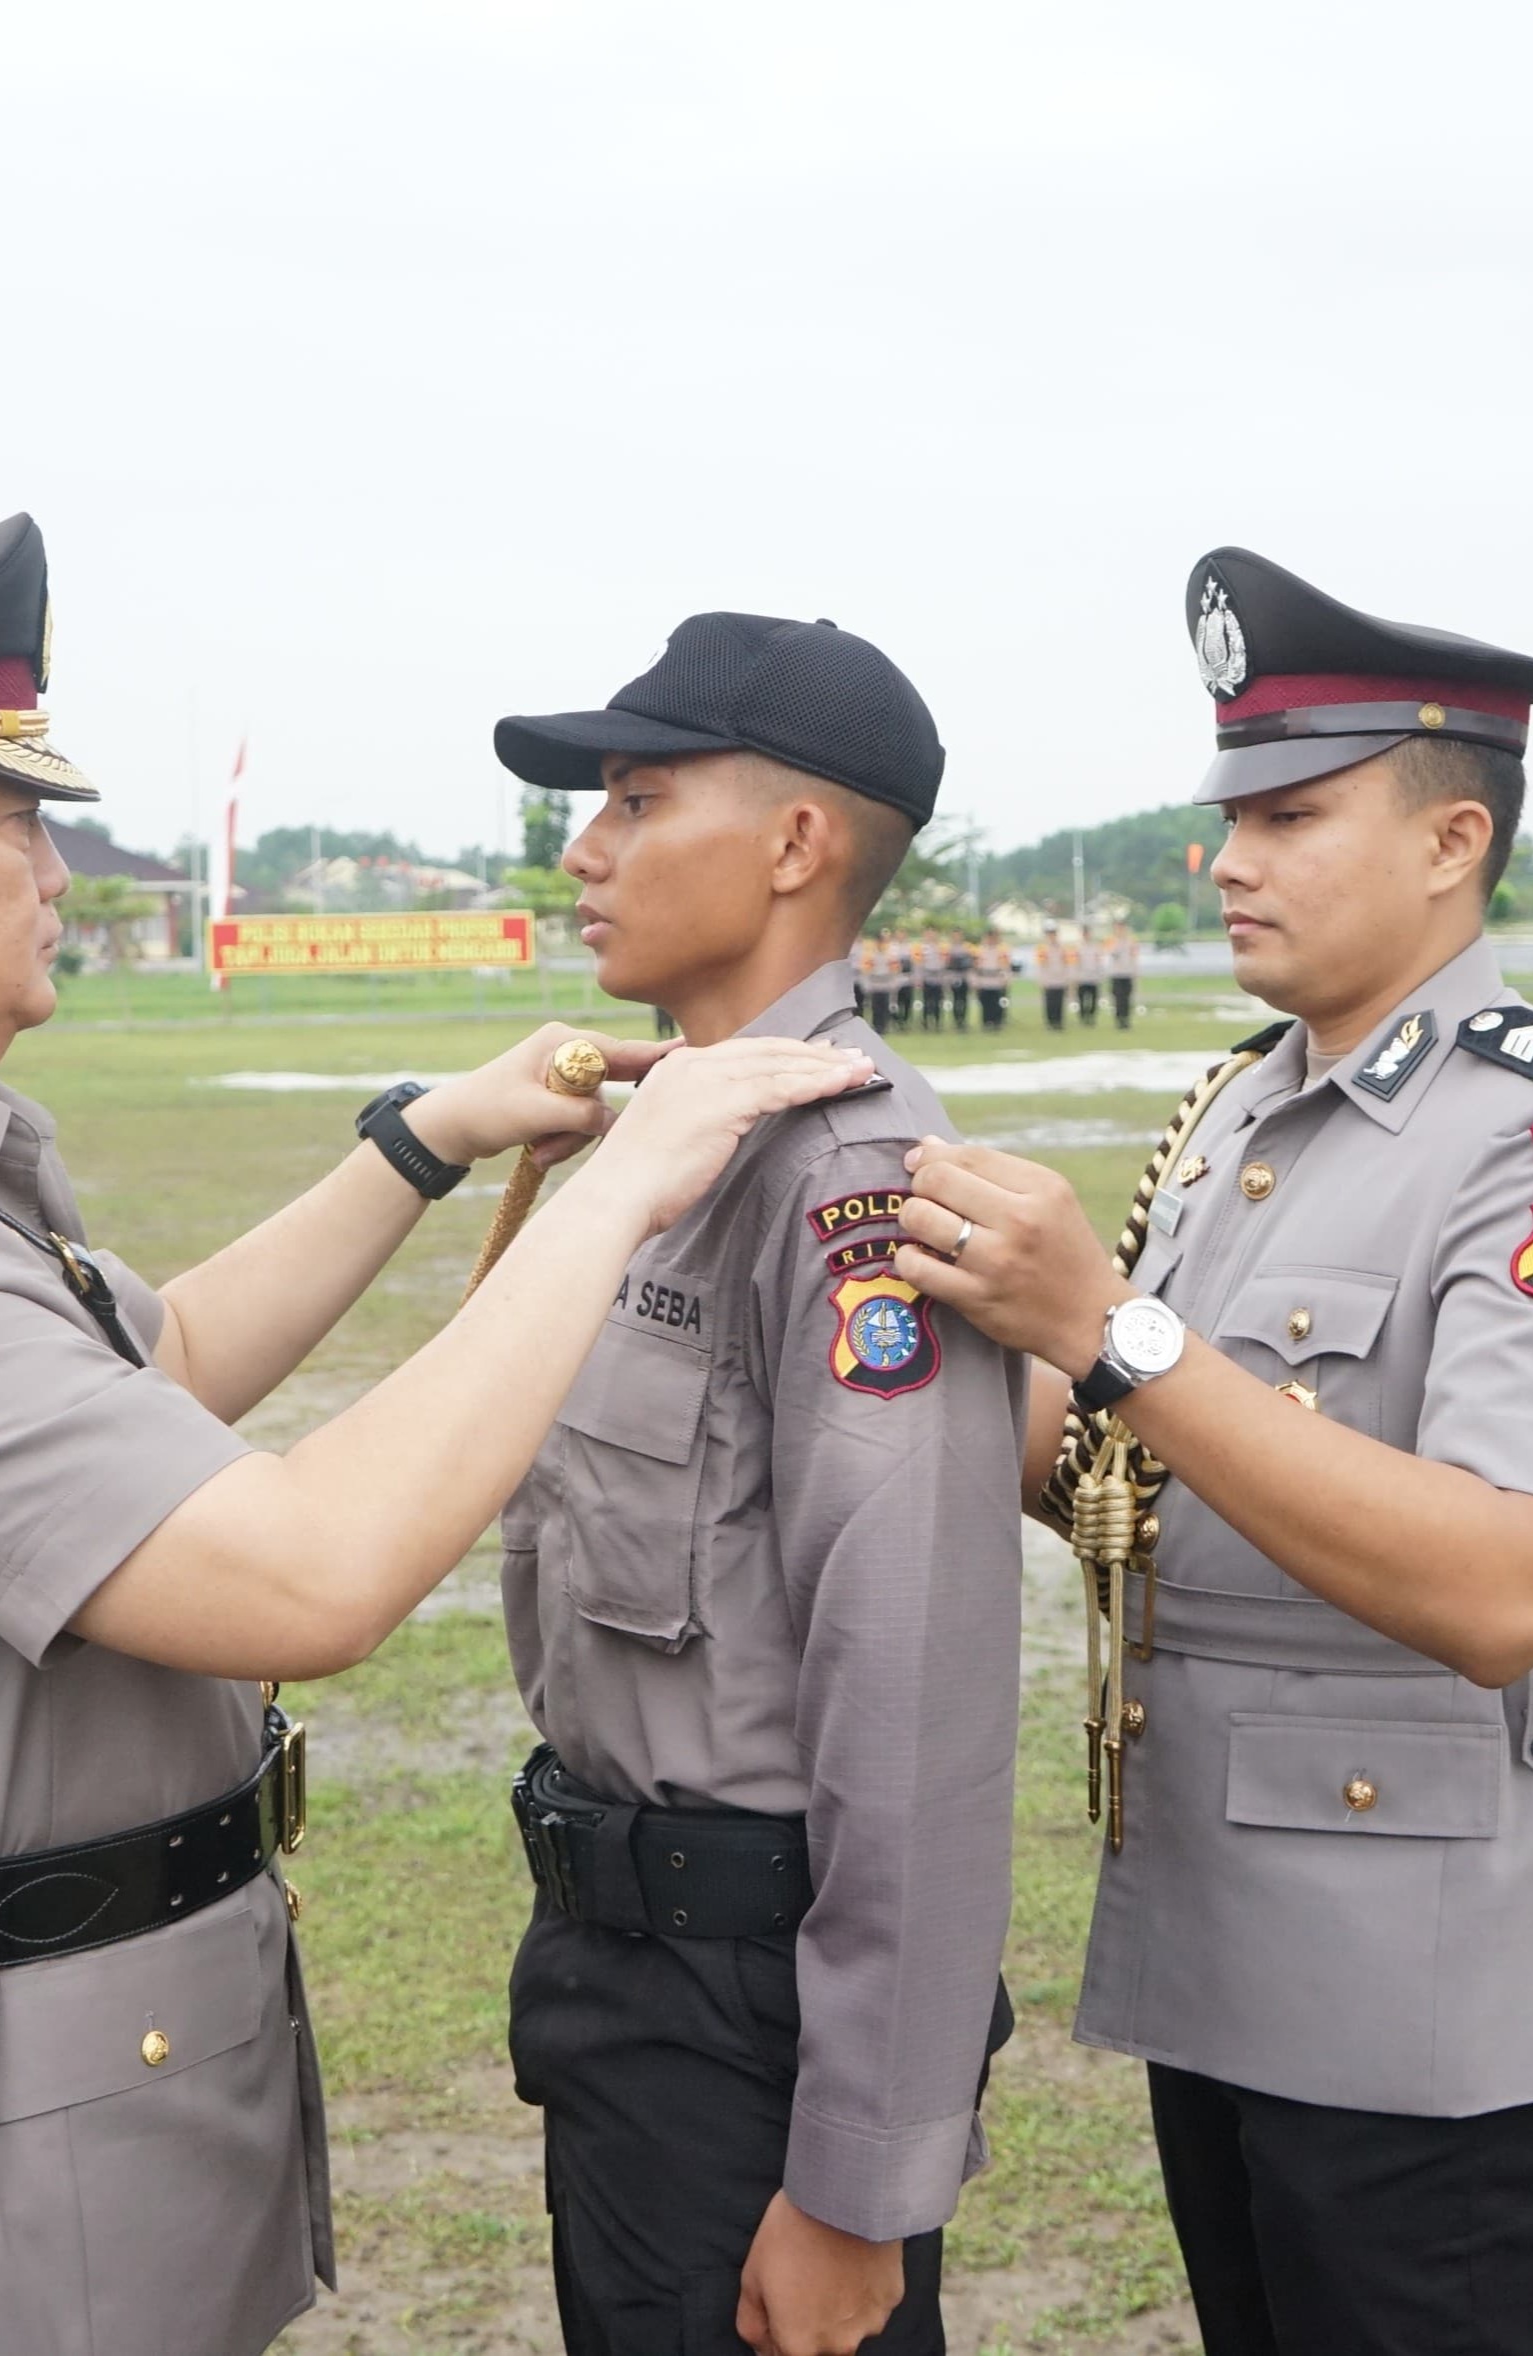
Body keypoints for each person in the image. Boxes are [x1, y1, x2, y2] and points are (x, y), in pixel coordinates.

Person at [0, 518, 870, 2356]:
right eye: (11, 820)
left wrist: (429, 1143)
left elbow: (149, 1370)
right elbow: (308, 1574)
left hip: (26, 2073)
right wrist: (616, 1192)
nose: (56, 867)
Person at [894, 547, 1533, 2356]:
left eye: (1292, 810)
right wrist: (924, 1315)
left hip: (1433, 1997)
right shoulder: (1248, 1103)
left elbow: (1503, 1584)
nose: (1230, 854)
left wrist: (1108, 1322)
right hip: (1233, 1943)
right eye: (1229, 810)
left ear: (1449, 843)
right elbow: (1133, 1472)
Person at [490, 612, 1027, 2356]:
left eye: (639, 800)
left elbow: (917, 1702)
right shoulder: (673, 1147)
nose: (585, 850)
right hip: (618, 1981)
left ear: (799, 844)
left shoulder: (848, 1178)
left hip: (753, 2020)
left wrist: (861, 2180)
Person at [975, 930, 1012, 1031]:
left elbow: (1006, 967)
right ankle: (986, 1022)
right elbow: (976, 968)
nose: (991, 940)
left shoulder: (1001, 951)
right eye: (989, 938)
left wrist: (1006, 979)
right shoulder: (980, 951)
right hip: (984, 980)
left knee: (997, 1003)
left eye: (993, 938)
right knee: (985, 1003)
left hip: (997, 981)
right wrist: (976, 981)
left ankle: (997, 1023)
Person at [1108, 926, 1140, 1029]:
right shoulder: (1112, 942)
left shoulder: (1131, 942)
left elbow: (1134, 957)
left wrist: (1135, 972)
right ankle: (1119, 1019)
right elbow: (1110, 954)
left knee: (1126, 998)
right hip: (1116, 974)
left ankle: (1125, 1019)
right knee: (1118, 998)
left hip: (1127, 974)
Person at [1038, 929, 1071, 1031]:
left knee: (1059, 1002)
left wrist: (1067, 977)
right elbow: (1041, 965)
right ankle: (1050, 1022)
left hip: (1060, 979)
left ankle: (1059, 1022)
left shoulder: (1062, 948)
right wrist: (1041, 979)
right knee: (1050, 1002)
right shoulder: (1043, 949)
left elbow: (1066, 964)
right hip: (1048, 979)